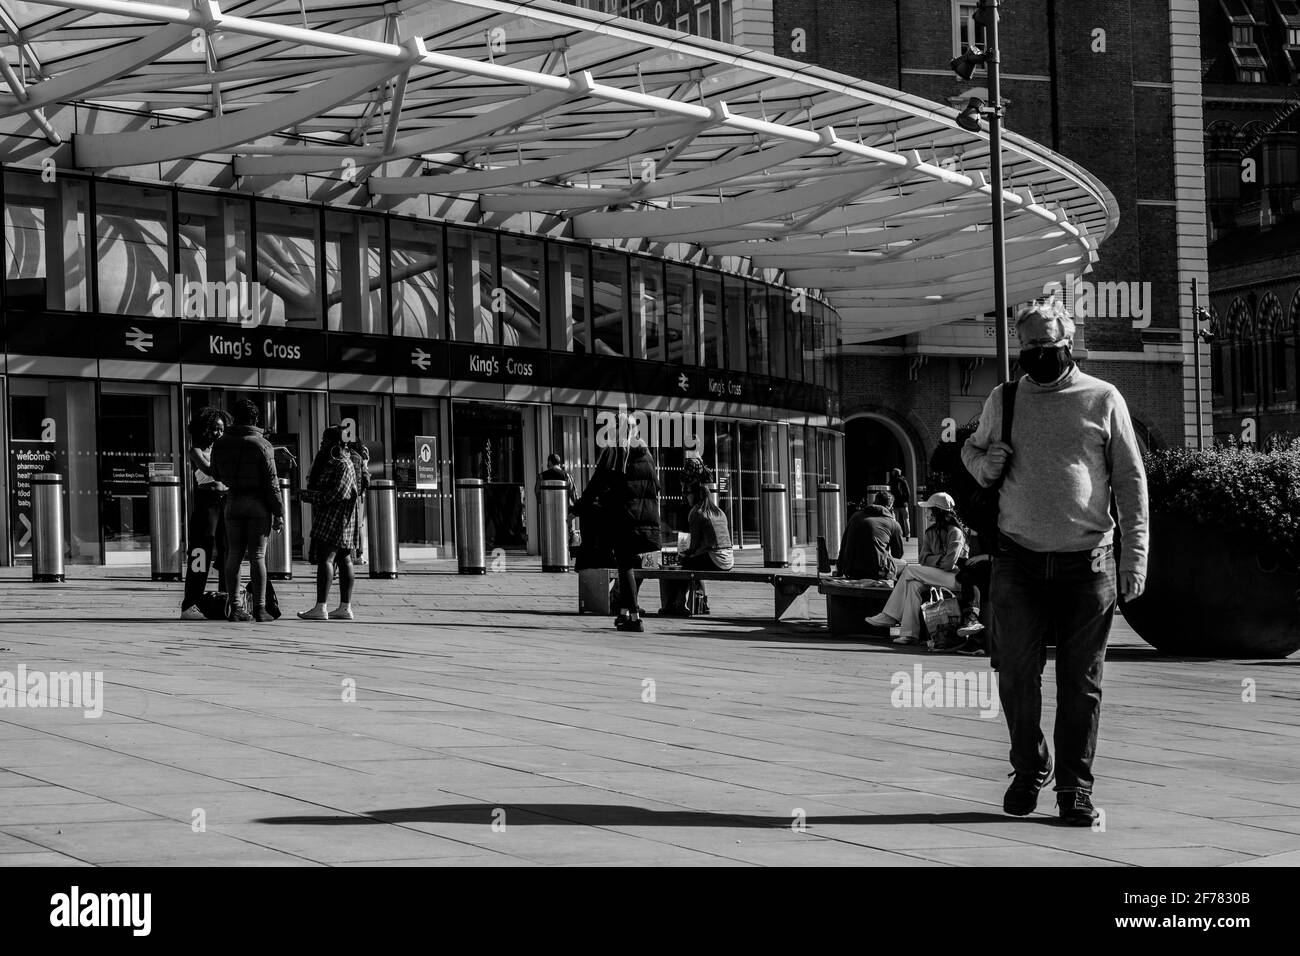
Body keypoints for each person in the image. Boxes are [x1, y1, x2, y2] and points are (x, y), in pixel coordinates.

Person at [961, 300, 1148, 827]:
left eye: (1048, 348)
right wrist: (985, 463)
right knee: (1016, 675)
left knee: (1080, 682)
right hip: (1017, 559)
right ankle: (1029, 766)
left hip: (1087, 563)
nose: (1038, 358)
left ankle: (1074, 789)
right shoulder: (1006, 398)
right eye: (1029, 350)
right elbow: (970, 453)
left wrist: (1135, 557)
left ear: (1068, 345)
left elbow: (1131, 483)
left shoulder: (1102, 397)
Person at [574, 426, 660, 633]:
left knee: (625, 566)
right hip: (645, 520)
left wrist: (576, 508)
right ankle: (623, 613)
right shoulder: (647, 456)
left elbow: (596, 486)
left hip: (624, 520)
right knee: (628, 563)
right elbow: (656, 487)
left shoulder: (615, 454)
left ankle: (634, 616)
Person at [210, 399, 283, 623]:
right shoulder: (262, 444)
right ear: (256, 419)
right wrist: (278, 511)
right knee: (257, 556)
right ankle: (260, 608)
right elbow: (272, 483)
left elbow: (215, 473)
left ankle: (236, 607)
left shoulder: (221, 443)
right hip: (258, 503)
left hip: (232, 500)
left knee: (234, 554)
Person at [865, 492, 969, 645]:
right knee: (913, 585)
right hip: (935, 576)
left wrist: (933, 559)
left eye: (929, 510)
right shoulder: (930, 532)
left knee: (909, 570)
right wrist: (939, 558)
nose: (926, 514)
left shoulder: (956, 532)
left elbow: (949, 564)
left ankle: (890, 615)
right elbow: (923, 559)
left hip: (954, 578)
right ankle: (909, 633)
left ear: (938, 511)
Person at [298, 426, 360, 621]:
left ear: (336, 443)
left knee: (327, 558)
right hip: (342, 518)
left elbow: (338, 493)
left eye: (325, 441)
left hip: (335, 518)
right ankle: (344, 607)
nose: (322, 444)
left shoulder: (342, 463)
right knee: (344, 559)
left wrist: (312, 497)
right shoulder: (341, 461)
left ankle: (321, 607)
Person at [180, 407, 232, 620]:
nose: (218, 434)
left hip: (225, 506)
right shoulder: (197, 451)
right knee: (200, 555)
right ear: (203, 430)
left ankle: (226, 600)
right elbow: (211, 470)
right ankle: (190, 604)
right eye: (213, 429)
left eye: (221, 430)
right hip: (206, 507)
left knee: (229, 553)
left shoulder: (224, 451)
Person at [675, 480, 734, 614]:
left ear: (695, 495)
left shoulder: (697, 512)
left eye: (688, 493)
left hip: (716, 559)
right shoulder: (718, 511)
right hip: (729, 559)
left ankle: (679, 604)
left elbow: (694, 545)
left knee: (683, 565)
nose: (686, 496)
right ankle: (701, 603)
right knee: (695, 563)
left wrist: (684, 554)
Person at [837, 490, 905, 581]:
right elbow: (898, 553)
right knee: (904, 564)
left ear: (874, 502)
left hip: (851, 569)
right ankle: (893, 594)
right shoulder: (893, 524)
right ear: (890, 507)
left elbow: (843, 544)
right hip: (876, 571)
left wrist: (840, 570)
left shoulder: (855, 516)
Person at [347, 441, 371, 562]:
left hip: (346, 496)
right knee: (359, 525)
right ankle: (359, 555)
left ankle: (349, 554)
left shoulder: (344, 457)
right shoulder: (359, 459)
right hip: (358, 497)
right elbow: (366, 479)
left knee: (347, 525)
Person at [889, 467, 912, 539]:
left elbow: (889, 493)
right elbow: (908, 492)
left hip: (895, 504)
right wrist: (906, 501)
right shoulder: (903, 480)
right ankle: (908, 535)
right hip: (903, 504)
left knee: (896, 520)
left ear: (895, 473)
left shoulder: (891, 481)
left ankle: (898, 534)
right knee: (906, 519)